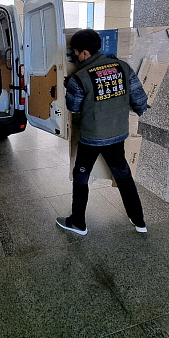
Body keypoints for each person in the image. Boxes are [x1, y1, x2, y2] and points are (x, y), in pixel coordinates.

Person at [56, 29, 148, 236]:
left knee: (81, 176)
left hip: (92, 137)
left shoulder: (79, 78)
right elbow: (139, 98)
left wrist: (69, 87)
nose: (76, 56)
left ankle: (78, 223)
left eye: (76, 53)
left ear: (85, 53)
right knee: (123, 175)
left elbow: (74, 107)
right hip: (118, 133)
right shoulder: (122, 66)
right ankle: (139, 221)